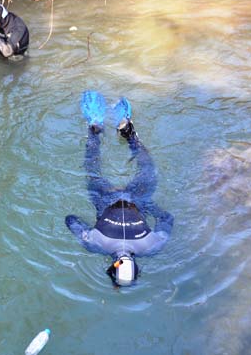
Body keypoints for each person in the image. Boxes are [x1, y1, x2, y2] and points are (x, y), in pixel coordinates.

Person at [65, 91, 174, 287]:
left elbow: (166, 219)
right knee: (92, 168)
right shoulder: (94, 243)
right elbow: (71, 220)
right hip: (107, 199)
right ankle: (94, 130)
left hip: (136, 200)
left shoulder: (152, 246)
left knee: (147, 168)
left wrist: (149, 207)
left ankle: (130, 135)